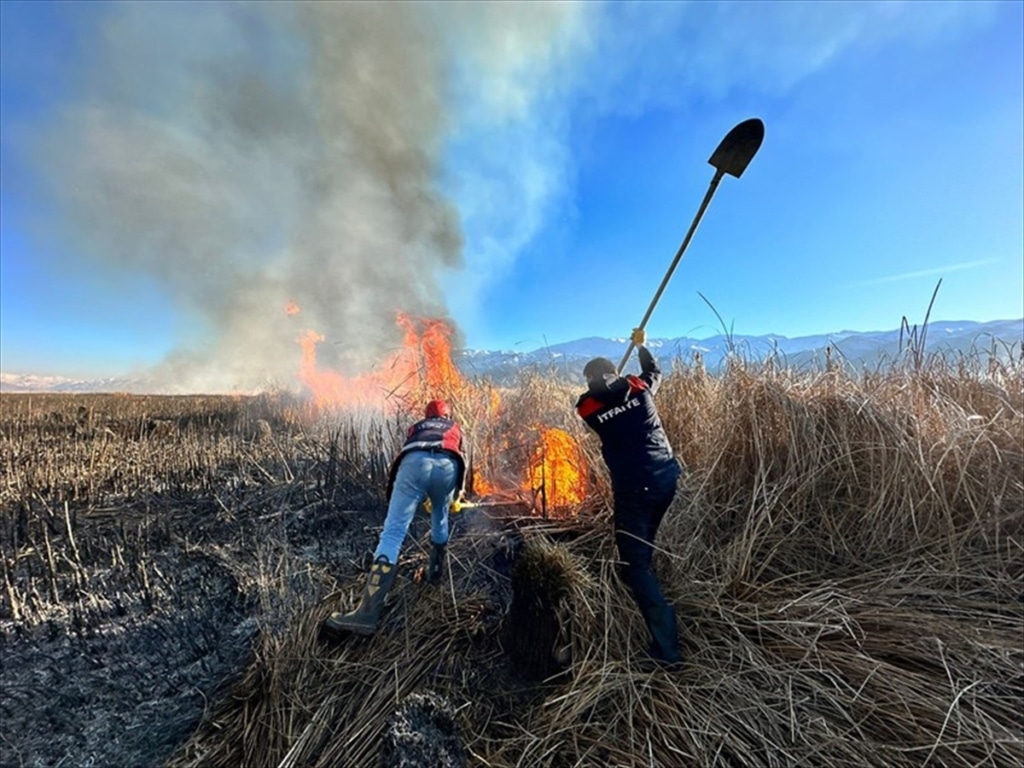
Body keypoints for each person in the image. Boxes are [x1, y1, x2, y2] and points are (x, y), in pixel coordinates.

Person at [575, 328, 683, 666]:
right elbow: (654, 372)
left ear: (590, 379)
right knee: (643, 548)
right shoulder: (639, 388)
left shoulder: (589, 409)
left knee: (633, 565)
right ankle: (652, 587)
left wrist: (602, 384)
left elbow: (584, 402)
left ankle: (666, 650)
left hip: (635, 489)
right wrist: (641, 346)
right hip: (666, 478)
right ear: (616, 371)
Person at [324, 399, 466, 637]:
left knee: (393, 533)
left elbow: (410, 450)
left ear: (427, 415)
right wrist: (455, 496)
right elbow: (462, 457)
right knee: (441, 516)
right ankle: (435, 573)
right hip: (448, 465)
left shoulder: (417, 427)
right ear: (447, 415)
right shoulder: (454, 427)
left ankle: (367, 614)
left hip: (414, 464)